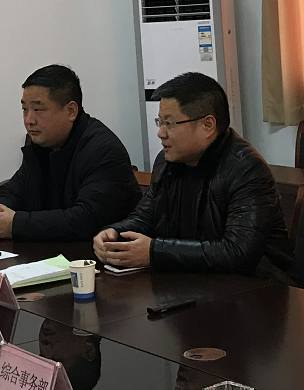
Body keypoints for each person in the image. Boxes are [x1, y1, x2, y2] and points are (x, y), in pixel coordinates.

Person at [95, 72, 291, 278]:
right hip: (195, 281)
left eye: (170, 123)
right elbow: (146, 217)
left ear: (207, 125)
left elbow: (237, 253)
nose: (161, 133)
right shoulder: (167, 162)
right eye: (159, 122)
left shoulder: (247, 170)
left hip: (257, 287)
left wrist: (154, 252)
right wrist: (113, 233)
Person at [0, 65, 142, 241]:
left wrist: (16, 224)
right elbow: (13, 191)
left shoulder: (104, 150)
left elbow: (84, 219)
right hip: (51, 250)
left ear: (71, 111)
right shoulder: (42, 145)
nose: (29, 120)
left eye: (38, 110)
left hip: (97, 253)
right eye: (24, 109)